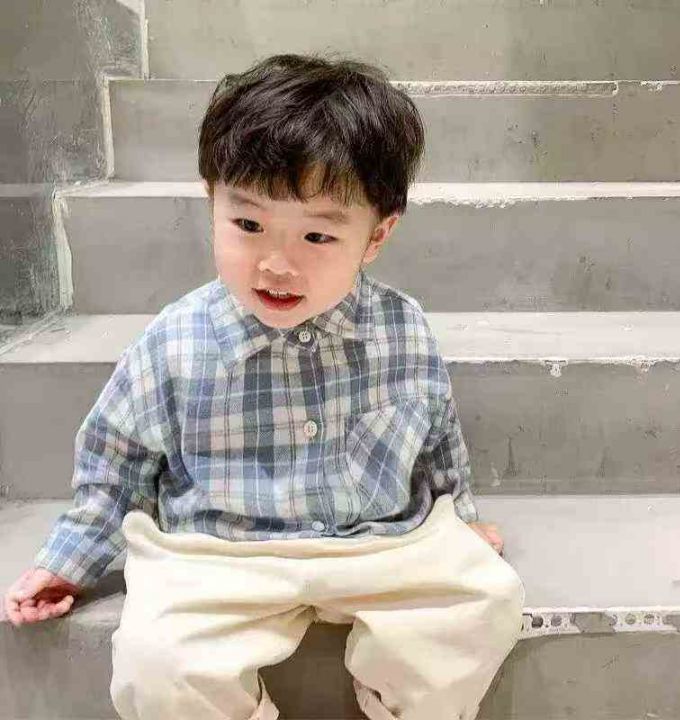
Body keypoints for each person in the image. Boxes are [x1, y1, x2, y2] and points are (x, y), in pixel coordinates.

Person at [3, 54, 525, 720]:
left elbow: (436, 435)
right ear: (211, 203)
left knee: (485, 601)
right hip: (221, 554)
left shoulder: (401, 329)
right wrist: (71, 559)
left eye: (317, 235)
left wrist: (462, 513)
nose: (277, 264)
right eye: (248, 225)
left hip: (381, 545)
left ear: (376, 237)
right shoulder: (177, 341)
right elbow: (117, 465)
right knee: (157, 662)